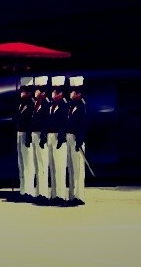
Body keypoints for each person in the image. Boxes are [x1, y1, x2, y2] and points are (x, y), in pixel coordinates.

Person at [46, 76, 70, 204]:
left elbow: (65, 122)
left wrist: (61, 136)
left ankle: (60, 195)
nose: (52, 93)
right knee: (52, 167)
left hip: (58, 137)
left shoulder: (64, 105)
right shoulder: (51, 104)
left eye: (54, 90)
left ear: (59, 92)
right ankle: (54, 194)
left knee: (60, 167)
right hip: (50, 136)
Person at [66, 76, 89, 205]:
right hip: (69, 138)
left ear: (78, 93)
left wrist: (79, 139)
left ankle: (78, 197)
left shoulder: (81, 105)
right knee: (71, 168)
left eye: (73, 91)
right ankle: (72, 195)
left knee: (77, 169)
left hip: (76, 139)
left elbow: (83, 124)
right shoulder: (71, 105)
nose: (71, 93)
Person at [31, 76, 51, 200]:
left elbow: (46, 121)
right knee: (36, 165)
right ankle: (38, 192)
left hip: (41, 135)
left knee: (42, 165)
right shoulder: (36, 103)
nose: (35, 91)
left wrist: (43, 136)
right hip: (34, 134)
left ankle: (43, 193)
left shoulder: (46, 103)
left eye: (37, 89)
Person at [15, 77, 35, 198]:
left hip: (27, 134)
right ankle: (23, 189)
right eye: (21, 90)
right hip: (19, 133)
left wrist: (29, 136)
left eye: (24, 90)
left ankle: (29, 190)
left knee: (28, 163)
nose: (22, 92)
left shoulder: (32, 104)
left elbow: (31, 122)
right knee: (21, 163)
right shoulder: (20, 103)